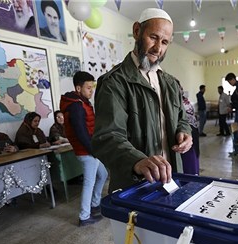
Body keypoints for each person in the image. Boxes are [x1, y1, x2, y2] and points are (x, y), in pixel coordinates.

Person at [92, 8, 192, 194]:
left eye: (164, 42)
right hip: (135, 184)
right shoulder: (115, 82)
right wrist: (136, 160)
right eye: (153, 37)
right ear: (137, 31)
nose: (158, 48)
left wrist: (184, 132)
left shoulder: (170, 83)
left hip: (171, 178)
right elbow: (107, 137)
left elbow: (182, 119)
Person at [60, 71, 108, 227]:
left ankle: (95, 204)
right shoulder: (76, 106)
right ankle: (84, 216)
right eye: (88, 88)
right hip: (86, 151)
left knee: (103, 174)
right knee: (89, 183)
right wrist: (93, 150)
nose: (91, 91)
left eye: (92, 87)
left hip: (90, 150)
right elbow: (80, 131)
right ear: (78, 88)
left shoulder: (81, 102)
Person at [177, 80, 200, 175]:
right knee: (193, 154)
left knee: (188, 156)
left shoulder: (180, 102)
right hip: (192, 129)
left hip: (187, 131)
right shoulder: (185, 100)